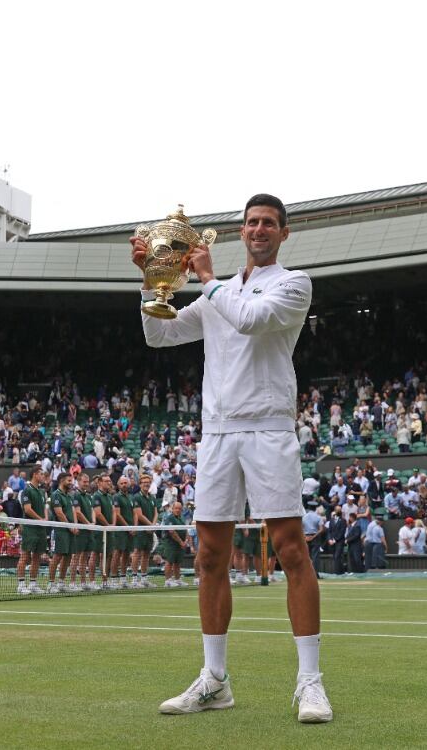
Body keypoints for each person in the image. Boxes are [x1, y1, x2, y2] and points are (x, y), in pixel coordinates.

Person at [140, 194, 330, 722]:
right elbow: (160, 334)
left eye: (268, 223)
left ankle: (310, 683)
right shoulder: (218, 293)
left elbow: (249, 320)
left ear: (283, 233)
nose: (259, 229)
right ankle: (214, 681)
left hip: (268, 427)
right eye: (251, 222)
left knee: (291, 551)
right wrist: (152, 282)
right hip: (218, 433)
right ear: (241, 231)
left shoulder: (294, 284)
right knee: (208, 557)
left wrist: (205, 278)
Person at [17, 469, 48, 594]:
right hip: (30, 528)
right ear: (35, 475)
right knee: (25, 556)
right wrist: (40, 519)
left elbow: (45, 507)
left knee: (37, 557)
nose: (43, 476)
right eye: (41, 474)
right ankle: (21, 585)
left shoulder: (41, 491)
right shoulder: (27, 490)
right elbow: (27, 509)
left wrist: (45, 519)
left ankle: (33, 584)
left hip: (40, 529)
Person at [46, 472, 77, 593]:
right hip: (60, 530)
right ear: (61, 481)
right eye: (69, 481)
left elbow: (73, 511)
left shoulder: (69, 496)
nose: (71, 483)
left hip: (70, 530)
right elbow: (59, 513)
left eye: (72, 480)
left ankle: (61, 582)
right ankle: (51, 584)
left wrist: (74, 525)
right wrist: (70, 526)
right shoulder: (56, 495)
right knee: (57, 556)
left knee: (68, 557)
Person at [72, 471, 99, 591]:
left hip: (89, 530)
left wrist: (93, 522)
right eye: (84, 482)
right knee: (76, 557)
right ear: (78, 482)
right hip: (81, 530)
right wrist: (88, 524)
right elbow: (77, 512)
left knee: (85, 557)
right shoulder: (75, 495)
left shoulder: (89, 496)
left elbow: (93, 510)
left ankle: (83, 582)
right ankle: (72, 583)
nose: (86, 484)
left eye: (87, 482)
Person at [133, 473, 159, 588]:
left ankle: (144, 578)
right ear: (140, 484)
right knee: (137, 554)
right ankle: (134, 579)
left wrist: (152, 526)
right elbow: (139, 515)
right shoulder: (136, 497)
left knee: (146, 555)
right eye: (144, 483)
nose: (146, 485)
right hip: (140, 531)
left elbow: (156, 513)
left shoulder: (152, 498)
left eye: (148, 483)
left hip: (150, 531)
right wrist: (150, 526)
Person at [160, 499, 190, 586]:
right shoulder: (169, 518)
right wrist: (181, 542)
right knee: (169, 561)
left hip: (180, 545)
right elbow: (172, 532)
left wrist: (186, 541)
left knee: (178, 562)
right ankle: (168, 581)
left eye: (179, 509)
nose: (178, 510)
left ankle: (177, 580)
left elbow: (186, 530)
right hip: (171, 544)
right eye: (176, 508)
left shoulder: (182, 518)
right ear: (172, 509)